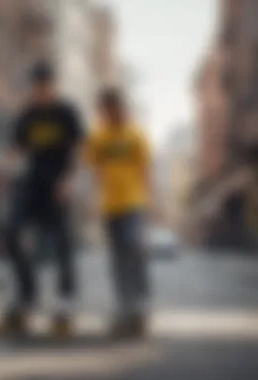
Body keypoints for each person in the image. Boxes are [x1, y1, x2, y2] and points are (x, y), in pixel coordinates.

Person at [0, 62, 84, 337]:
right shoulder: (28, 115)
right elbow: (15, 148)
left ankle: (65, 302)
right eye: (37, 89)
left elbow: (79, 149)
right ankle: (28, 295)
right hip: (32, 186)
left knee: (63, 245)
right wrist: (2, 175)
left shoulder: (66, 113)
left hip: (59, 187)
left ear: (53, 87)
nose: (41, 94)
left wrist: (70, 180)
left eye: (45, 89)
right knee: (11, 232)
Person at [84, 88, 152, 338]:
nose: (106, 114)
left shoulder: (136, 135)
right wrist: (94, 200)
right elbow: (94, 171)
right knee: (117, 259)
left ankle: (140, 307)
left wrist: (148, 204)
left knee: (134, 251)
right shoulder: (98, 137)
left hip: (133, 204)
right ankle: (125, 309)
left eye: (110, 109)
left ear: (119, 108)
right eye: (103, 110)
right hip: (109, 206)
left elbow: (145, 170)